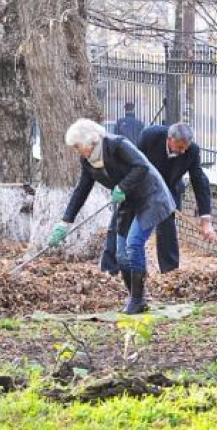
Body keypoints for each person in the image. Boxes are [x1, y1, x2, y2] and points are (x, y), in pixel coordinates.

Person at [49, 118, 175, 314]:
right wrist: (65, 222)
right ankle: (137, 298)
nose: (76, 151)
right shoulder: (88, 160)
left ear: (89, 140)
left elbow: (141, 166)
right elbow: (82, 189)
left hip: (150, 196)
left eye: (77, 146)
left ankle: (136, 300)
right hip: (128, 201)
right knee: (121, 254)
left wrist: (122, 187)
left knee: (134, 244)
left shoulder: (117, 145)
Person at [102, 122, 217, 275]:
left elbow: (199, 181)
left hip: (167, 191)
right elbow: (133, 163)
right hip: (140, 185)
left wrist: (206, 221)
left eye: (185, 148)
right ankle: (110, 268)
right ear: (170, 139)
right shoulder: (150, 136)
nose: (183, 152)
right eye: (180, 147)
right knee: (121, 220)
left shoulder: (192, 151)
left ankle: (170, 271)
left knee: (167, 227)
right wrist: (123, 187)